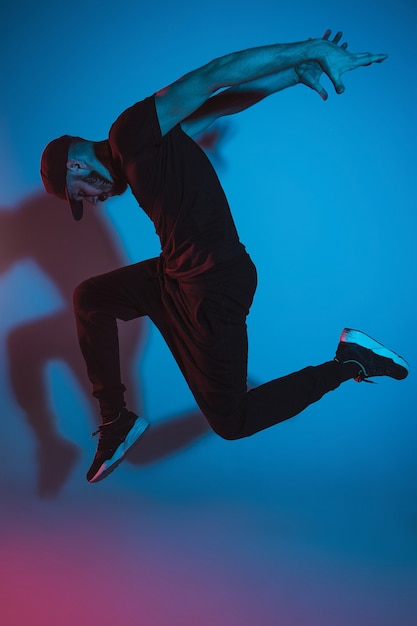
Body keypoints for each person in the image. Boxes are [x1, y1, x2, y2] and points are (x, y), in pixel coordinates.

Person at [40, 30, 408, 484]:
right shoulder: (142, 151)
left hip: (213, 284)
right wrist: (293, 75)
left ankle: (351, 361)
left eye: (82, 193)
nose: (93, 200)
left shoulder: (130, 133)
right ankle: (116, 420)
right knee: (91, 297)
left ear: (76, 166)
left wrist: (309, 50)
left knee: (232, 422)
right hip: (176, 275)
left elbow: (212, 78)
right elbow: (222, 107)